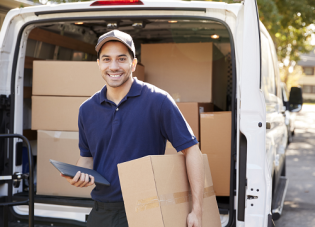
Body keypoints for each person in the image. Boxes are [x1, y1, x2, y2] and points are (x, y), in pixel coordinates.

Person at [61, 30, 205, 227]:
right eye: (106, 59)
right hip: (102, 211)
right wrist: (79, 175)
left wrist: (196, 210)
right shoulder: (87, 110)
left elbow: (192, 150)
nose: (113, 66)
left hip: (146, 210)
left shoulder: (158, 101)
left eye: (121, 59)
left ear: (133, 64)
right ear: (99, 64)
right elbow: (87, 157)